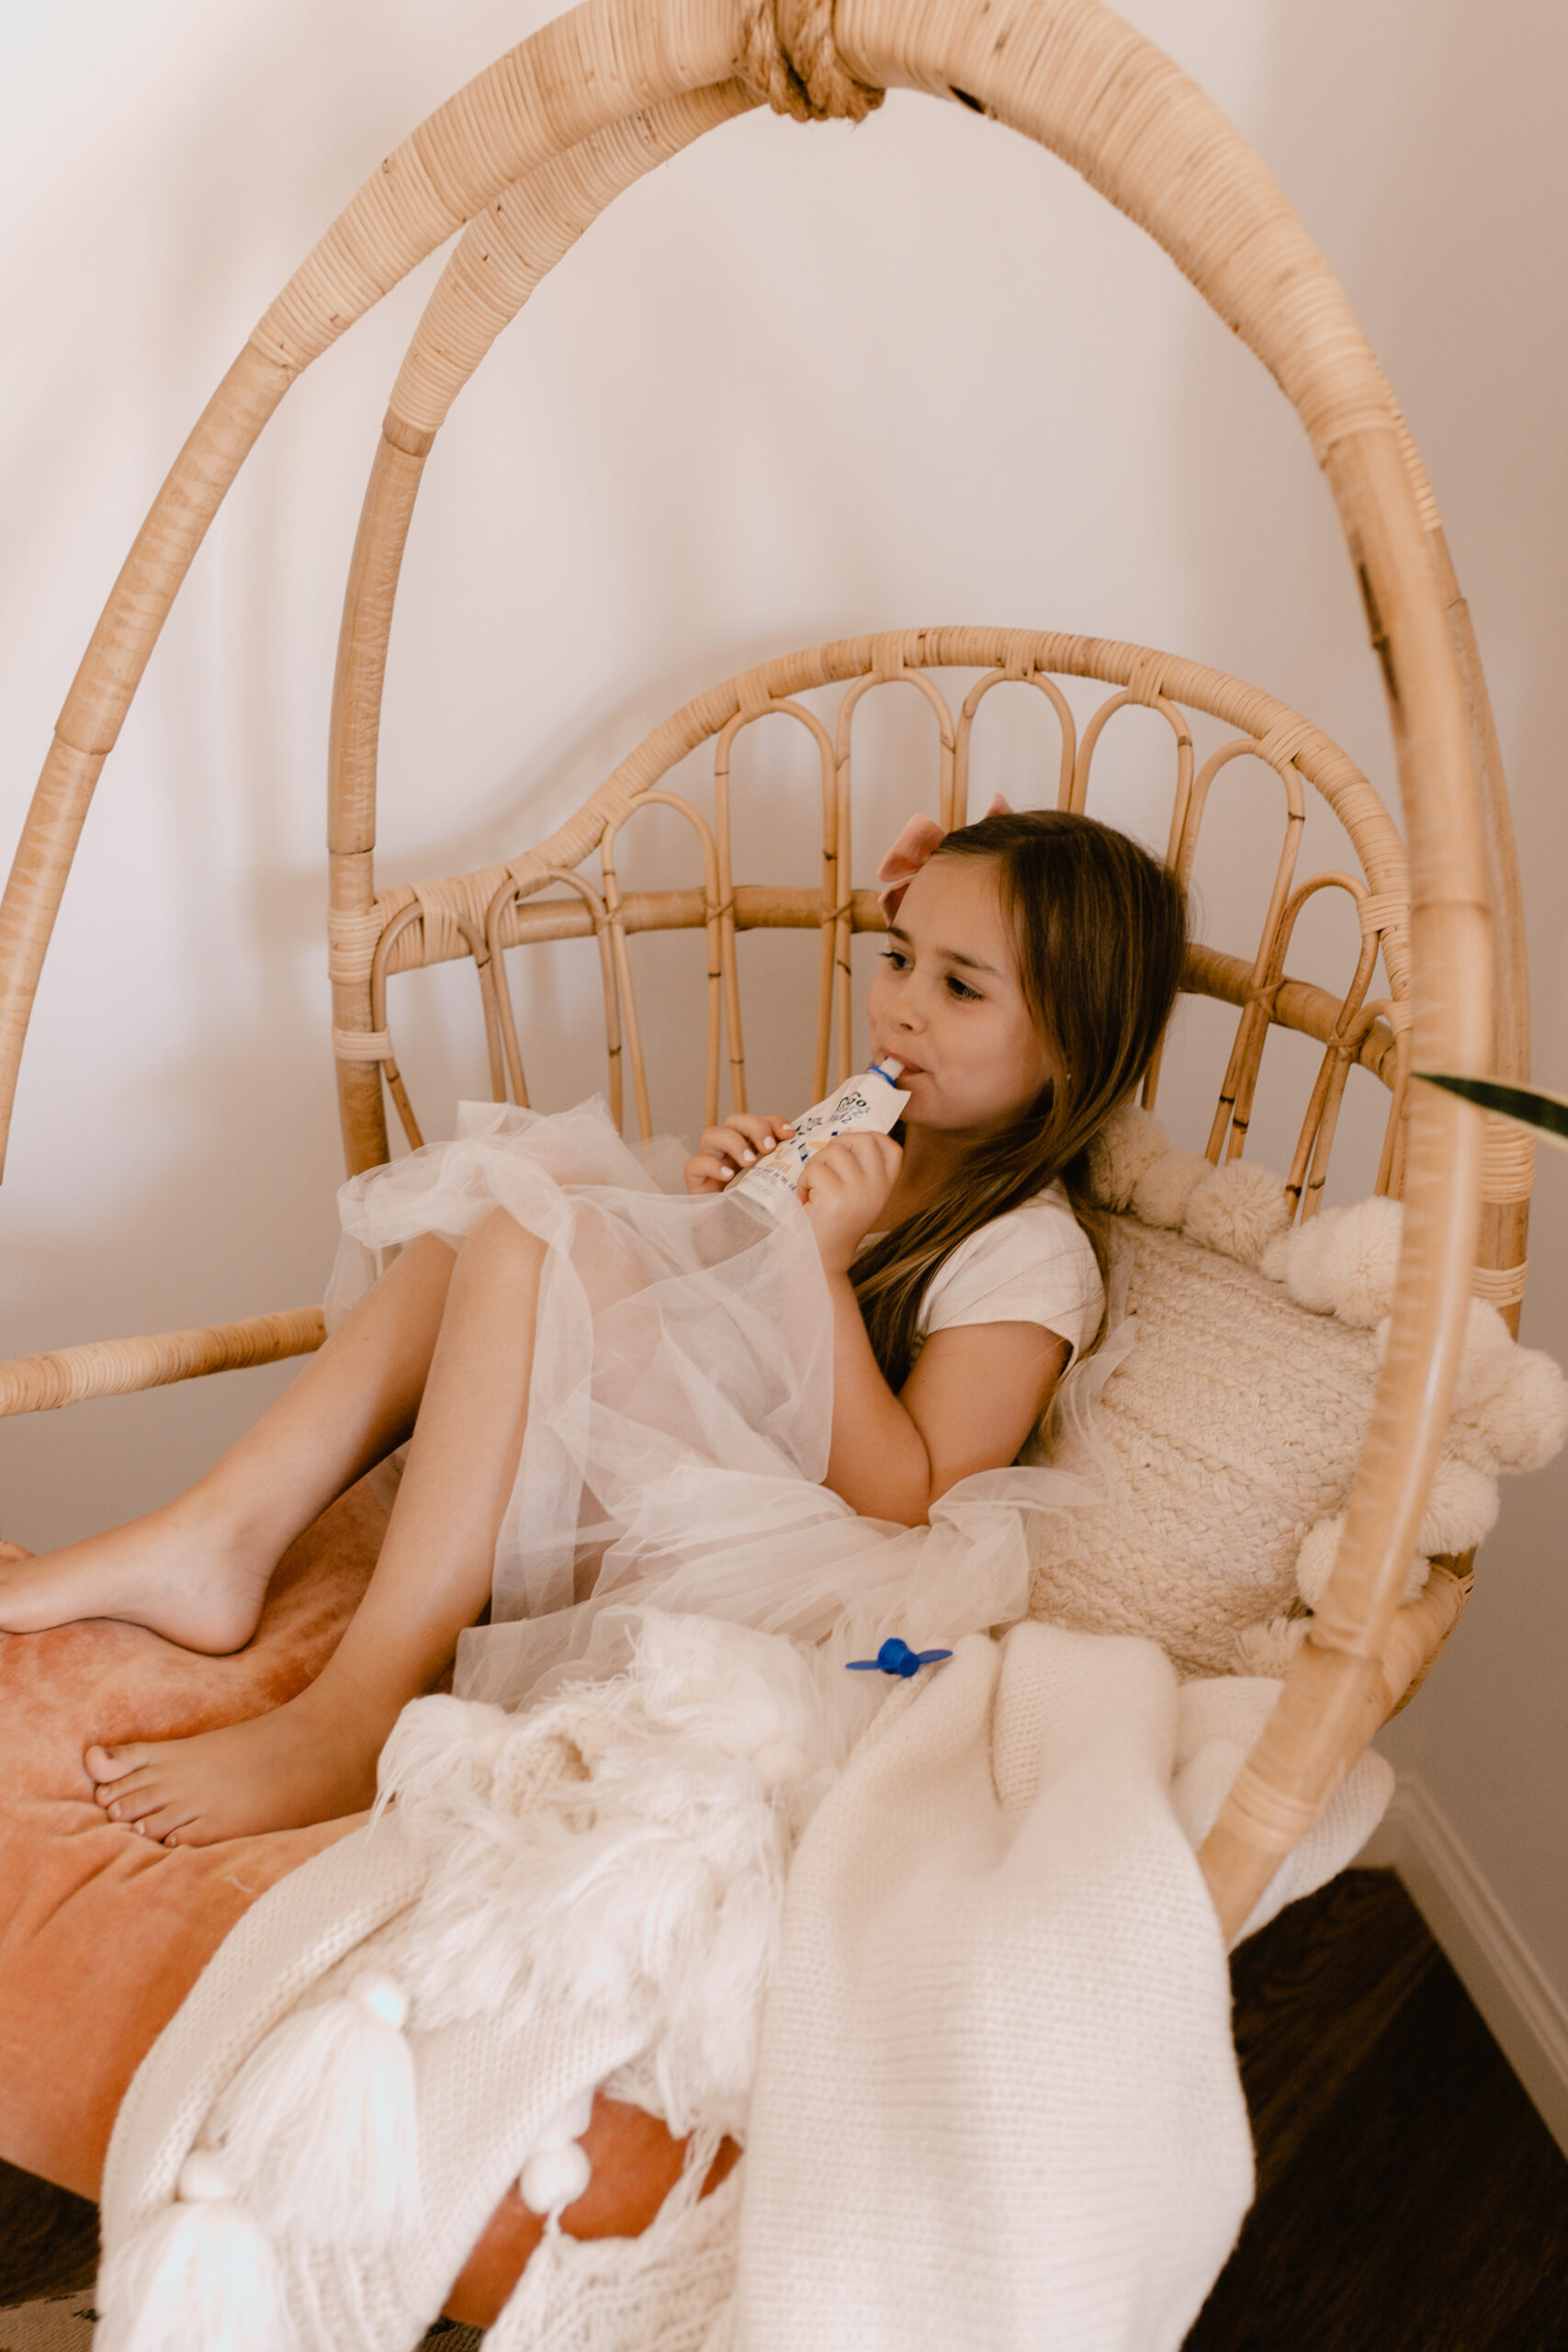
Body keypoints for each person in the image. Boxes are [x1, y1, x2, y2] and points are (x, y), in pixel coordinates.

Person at [0, 809, 1186, 1848]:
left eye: (961, 987)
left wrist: (814, 1266)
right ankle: (221, 1536)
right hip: (687, 1484)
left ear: (1070, 1052)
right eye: (899, 958)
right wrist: (725, 1216)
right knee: (506, 1204)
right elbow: (714, 1333)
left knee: (535, 1222)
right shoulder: (876, 1149)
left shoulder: (1027, 1253)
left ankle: (360, 1707)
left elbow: (908, 1502)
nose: (901, 1011)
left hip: (782, 1585)